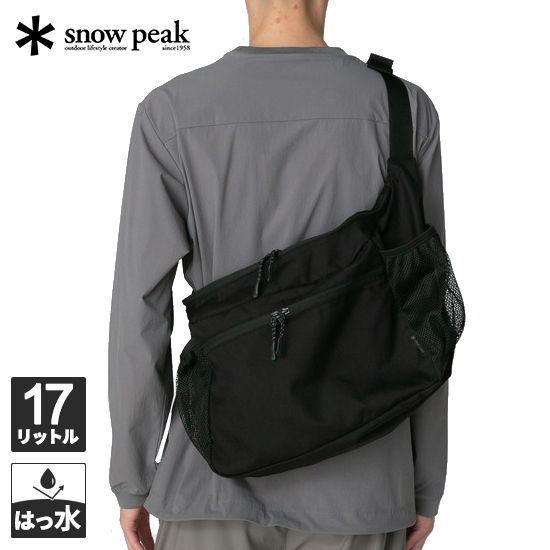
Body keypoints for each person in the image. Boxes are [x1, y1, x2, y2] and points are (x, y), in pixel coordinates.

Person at [108, 1, 448, 549]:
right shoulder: (404, 110)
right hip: (361, 483)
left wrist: (133, 479)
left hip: (209, 473)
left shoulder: (171, 112)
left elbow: (139, 312)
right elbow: (425, 312)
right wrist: (424, 484)